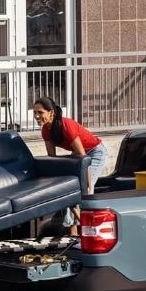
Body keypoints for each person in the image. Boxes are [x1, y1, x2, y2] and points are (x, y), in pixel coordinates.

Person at [33, 97, 109, 235]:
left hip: (94, 153)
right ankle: (73, 233)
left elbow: (83, 156)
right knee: (69, 190)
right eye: (35, 113)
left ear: (51, 112)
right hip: (79, 156)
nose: (37, 116)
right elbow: (52, 159)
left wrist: (86, 182)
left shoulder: (66, 126)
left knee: (84, 190)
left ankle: (91, 230)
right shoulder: (46, 130)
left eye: (40, 112)